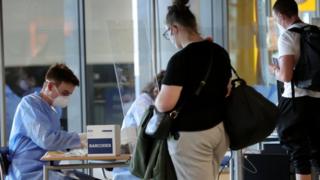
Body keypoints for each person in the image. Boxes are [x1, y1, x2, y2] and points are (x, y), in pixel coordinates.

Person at [154, 0, 231, 179]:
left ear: (174, 28)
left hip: (193, 135)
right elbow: (227, 89)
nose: (170, 38)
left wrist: (158, 98)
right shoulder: (219, 52)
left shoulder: (180, 59)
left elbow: (165, 104)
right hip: (219, 131)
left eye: (167, 33)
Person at [7, 64, 95, 180]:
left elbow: (56, 141)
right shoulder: (29, 105)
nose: (67, 98)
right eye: (64, 93)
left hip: (48, 168)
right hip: (29, 172)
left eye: (69, 94)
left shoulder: (52, 110)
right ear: (49, 86)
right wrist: (79, 139)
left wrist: (76, 146)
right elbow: (47, 140)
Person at [269, 1, 320, 180]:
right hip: (317, 99)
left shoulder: (288, 36)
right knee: (317, 151)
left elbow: (286, 76)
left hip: (295, 101)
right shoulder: (315, 31)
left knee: (299, 154)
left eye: (276, 19)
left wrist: (275, 70)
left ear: (282, 16)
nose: (277, 22)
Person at [112, 71, 165, 180]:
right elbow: (150, 128)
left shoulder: (150, 102)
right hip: (131, 160)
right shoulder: (143, 102)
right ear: (156, 90)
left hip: (138, 156)